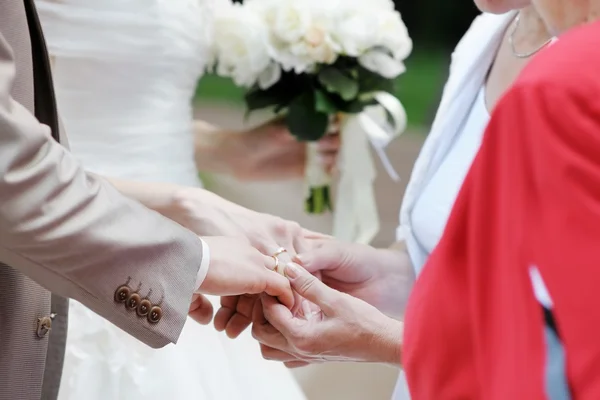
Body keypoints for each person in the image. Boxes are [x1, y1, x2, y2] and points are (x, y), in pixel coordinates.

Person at [253, 0, 600, 398]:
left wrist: (382, 339)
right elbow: (452, 266)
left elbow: (562, 338)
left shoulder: (576, 82)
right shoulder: (486, 36)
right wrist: (375, 277)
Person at [33, 0, 338, 398]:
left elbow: (127, 106)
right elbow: (20, 150)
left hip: (191, 239)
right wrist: (185, 203)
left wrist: (230, 150)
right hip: (84, 236)